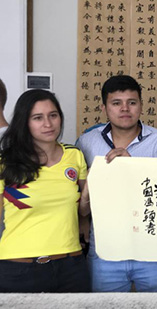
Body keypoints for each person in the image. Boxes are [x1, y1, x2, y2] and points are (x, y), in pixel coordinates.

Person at [76, 75, 157, 292]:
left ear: (141, 105)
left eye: (132, 102)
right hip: (105, 247)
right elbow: (79, 195)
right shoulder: (87, 142)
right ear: (104, 107)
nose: (125, 109)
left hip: (152, 246)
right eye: (116, 103)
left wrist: (131, 168)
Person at [0, 89, 90, 292]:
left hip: (71, 266)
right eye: (38, 118)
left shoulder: (74, 156)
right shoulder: (6, 162)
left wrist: (99, 179)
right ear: (25, 122)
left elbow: (83, 211)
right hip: (17, 267)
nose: (48, 124)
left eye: (53, 115)